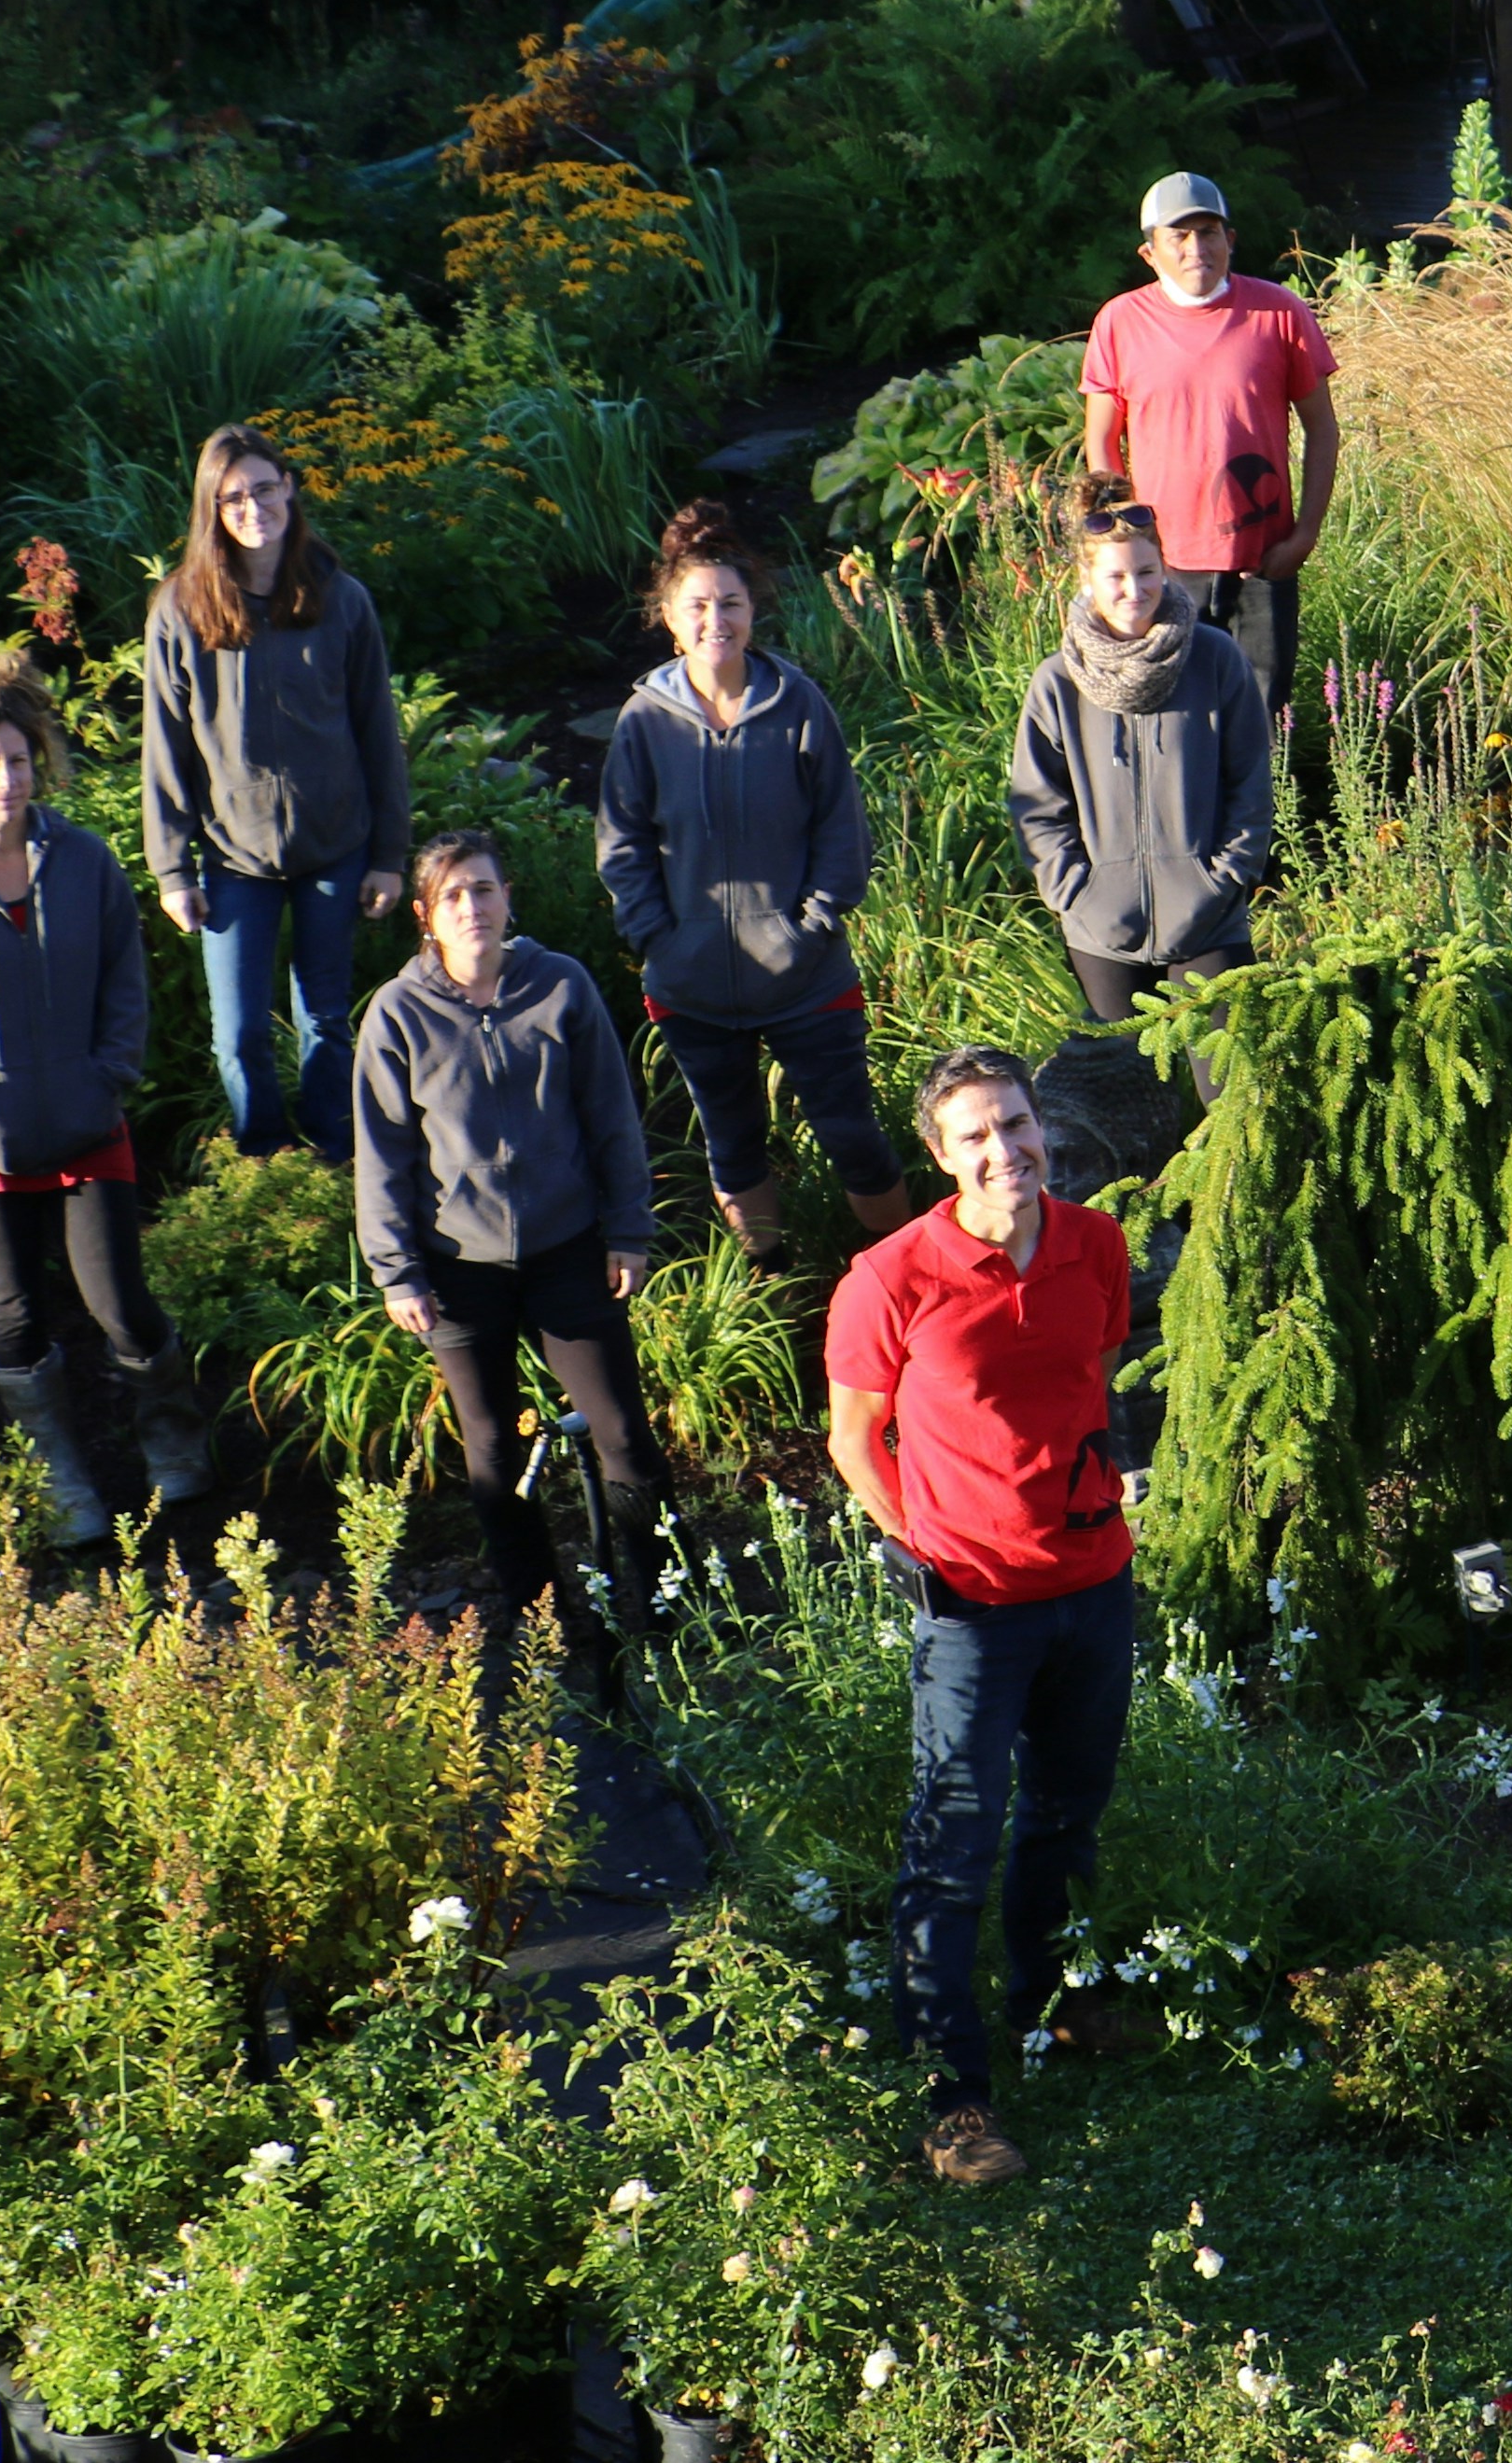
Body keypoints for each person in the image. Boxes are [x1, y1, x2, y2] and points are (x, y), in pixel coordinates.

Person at [825, 1046, 1141, 2188]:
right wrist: (932, 1545)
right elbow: (854, 1442)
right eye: (976, 1136)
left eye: (1015, 1124)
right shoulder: (888, 1278)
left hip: (1093, 1585)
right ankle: (954, 2099)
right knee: (952, 1848)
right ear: (940, 1154)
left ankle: (1054, 2009)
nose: (1004, 1150)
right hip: (973, 1610)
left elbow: (1089, 1368)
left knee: (1066, 1818)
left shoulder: (1094, 1247)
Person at [0, 658, 209, 1546]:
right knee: (14, 1311)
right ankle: (61, 1478)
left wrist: (106, 1079)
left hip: (88, 1124)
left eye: (18, 760)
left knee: (119, 1303)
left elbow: (124, 982)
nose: (5, 779)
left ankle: (173, 1444)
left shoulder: (84, 862)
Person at [352, 830, 665, 1676]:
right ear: (425, 916)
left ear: (507, 897)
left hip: (568, 1249)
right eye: (453, 896)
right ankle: (547, 1627)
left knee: (623, 1434)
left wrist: (627, 1230)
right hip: (459, 1268)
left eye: (485, 890)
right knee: (492, 1453)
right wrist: (397, 1271)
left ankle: (668, 1603)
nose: (473, 908)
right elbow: (382, 1154)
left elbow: (610, 1117)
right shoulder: (398, 1015)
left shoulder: (558, 986)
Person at [595, 503, 914, 1265]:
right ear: (670, 620)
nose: (717, 620)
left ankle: (907, 1276)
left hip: (806, 976)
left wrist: (814, 923)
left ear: (751, 610)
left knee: (852, 1134)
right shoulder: (645, 722)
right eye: (698, 606)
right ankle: (779, 1280)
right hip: (694, 985)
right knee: (733, 1140)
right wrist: (659, 941)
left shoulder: (796, 705)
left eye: (730, 603)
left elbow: (842, 826)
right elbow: (622, 845)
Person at [141, 427, 411, 1167]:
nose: (253, 506)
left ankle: (333, 1155)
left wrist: (389, 856)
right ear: (213, 510)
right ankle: (265, 1159)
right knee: (238, 1032)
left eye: (264, 487)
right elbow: (164, 746)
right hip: (234, 857)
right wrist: (172, 870)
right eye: (233, 497)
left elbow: (377, 733)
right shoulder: (181, 611)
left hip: (335, 845)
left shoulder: (341, 600)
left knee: (325, 1018)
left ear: (289, 486)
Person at [1078, 171, 1341, 721]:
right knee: (1173, 721)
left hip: (1263, 566)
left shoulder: (1279, 312)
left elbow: (1322, 427)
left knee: (1257, 726)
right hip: (1164, 569)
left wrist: (1305, 535)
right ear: (1149, 253)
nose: (1197, 248)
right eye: (1179, 236)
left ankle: (1257, 812)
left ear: (1231, 240)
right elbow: (1102, 440)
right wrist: (1131, 545)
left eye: (1209, 232)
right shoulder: (1120, 323)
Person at [1005, 495, 1275, 1029]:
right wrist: (1076, 892)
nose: (1135, 590)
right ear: (1087, 580)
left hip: (1209, 919)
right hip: (1101, 929)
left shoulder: (1215, 659)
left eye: (1147, 571)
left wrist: (1224, 878)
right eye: (1116, 577)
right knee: (1125, 1102)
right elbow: (1037, 806)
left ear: (1164, 567)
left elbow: (1251, 781)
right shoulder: (1058, 682)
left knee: (1228, 1098)